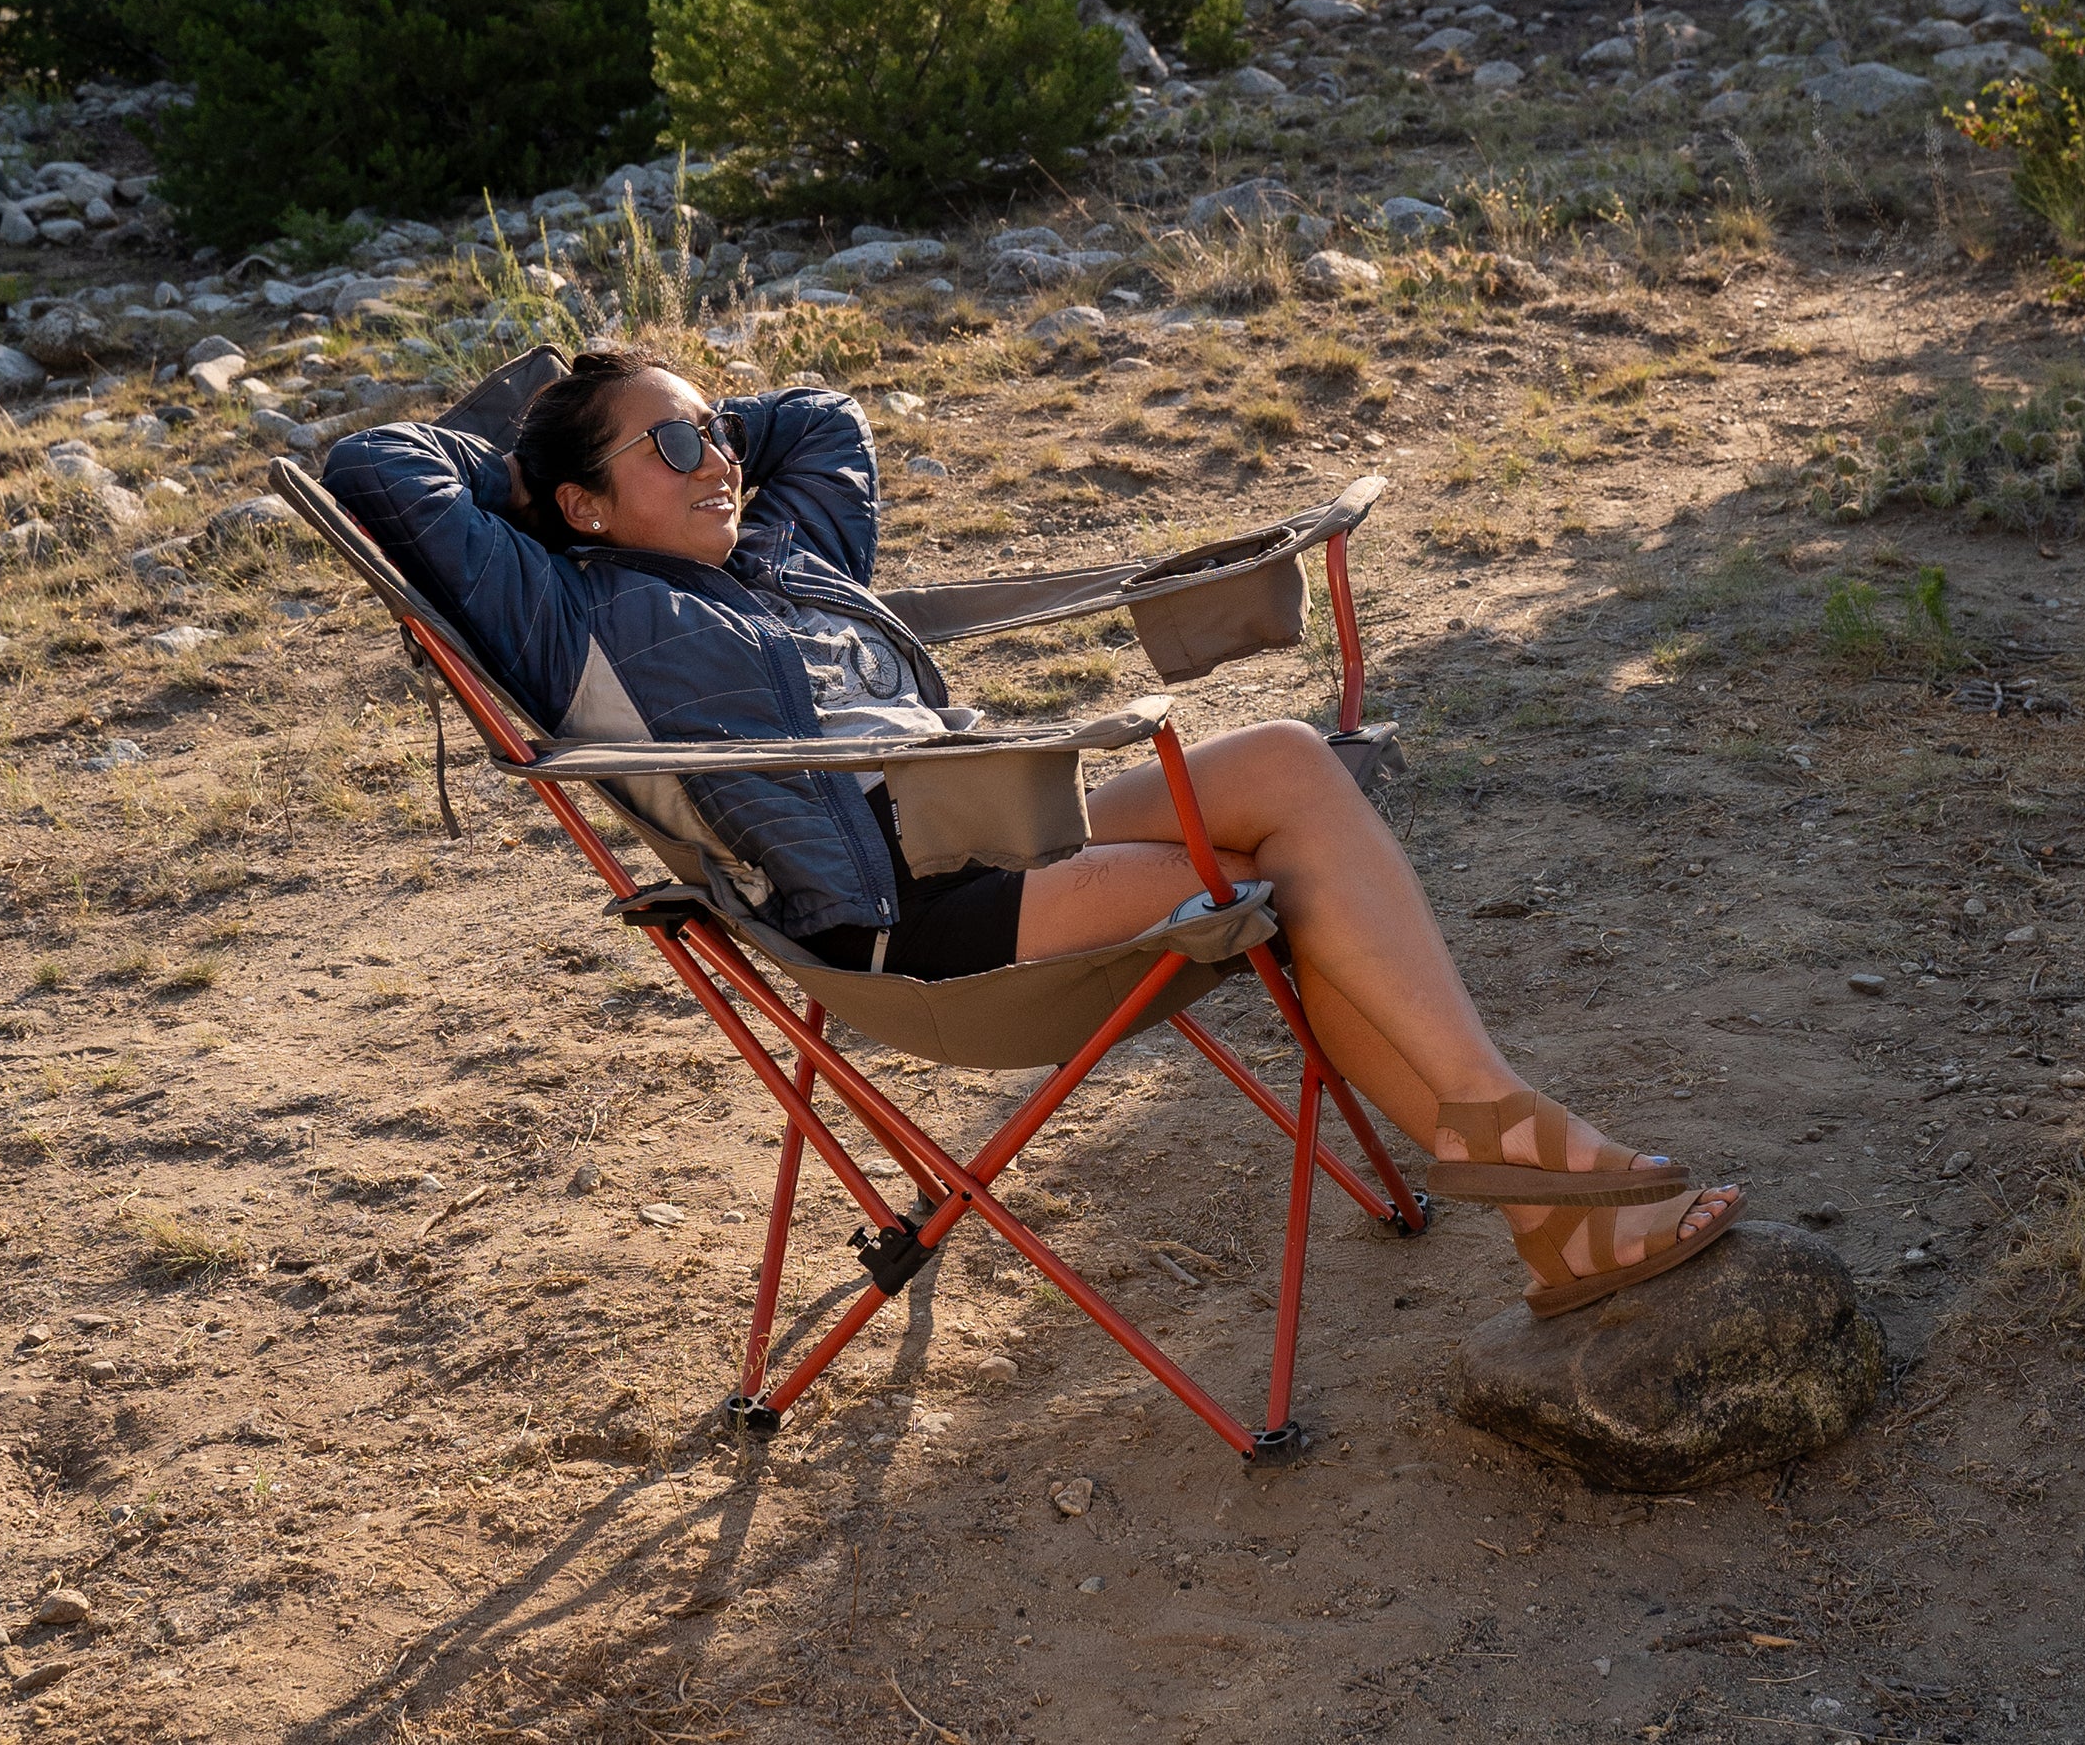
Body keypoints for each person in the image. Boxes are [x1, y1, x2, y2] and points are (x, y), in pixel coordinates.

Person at [328, 347, 1742, 1316]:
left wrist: (676, 429)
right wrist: (543, 460)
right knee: (1258, 878)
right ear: (576, 503)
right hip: (893, 909)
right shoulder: (572, 617)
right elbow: (374, 466)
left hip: (985, 817)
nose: (721, 461)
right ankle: (1541, 1186)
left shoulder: (787, 555)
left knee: (1286, 771)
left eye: (715, 432)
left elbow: (821, 418)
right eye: (678, 445)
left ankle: (1524, 1163)